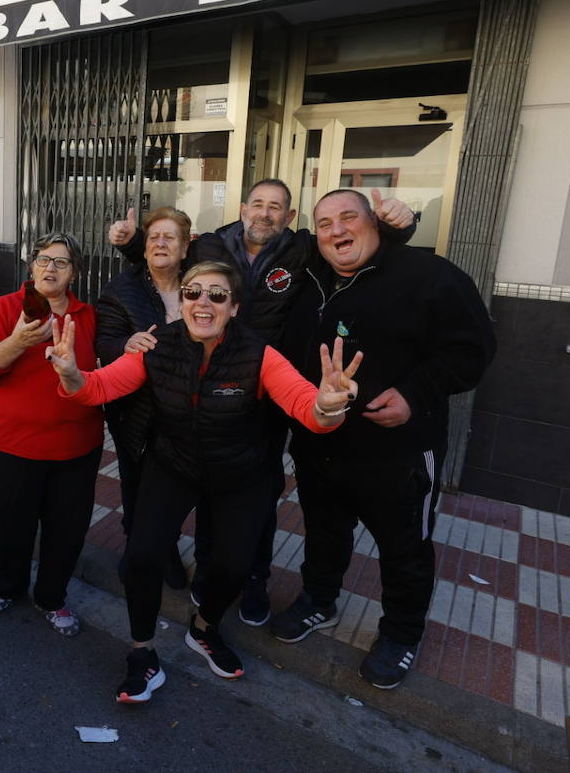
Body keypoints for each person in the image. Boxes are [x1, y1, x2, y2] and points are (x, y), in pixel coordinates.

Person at [47, 260, 359, 703]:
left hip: (241, 473)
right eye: (193, 292)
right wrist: (71, 374)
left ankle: (205, 628)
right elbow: (99, 387)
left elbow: (304, 405)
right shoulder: (158, 345)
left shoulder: (259, 353)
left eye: (217, 294)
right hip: (173, 465)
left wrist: (328, 406)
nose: (203, 302)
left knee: (233, 566)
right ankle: (142, 653)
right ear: (183, 301)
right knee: (141, 556)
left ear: (233, 307)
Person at [107, 180, 415, 623]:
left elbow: (353, 247)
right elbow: (163, 258)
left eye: (276, 208)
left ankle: (254, 578)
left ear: (290, 217)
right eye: (258, 205)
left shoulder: (303, 250)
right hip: (211, 381)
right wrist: (132, 241)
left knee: (257, 491)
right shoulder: (210, 244)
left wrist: (398, 227)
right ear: (242, 208)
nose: (265, 214)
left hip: (268, 389)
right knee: (208, 483)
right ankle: (212, 571)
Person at [271, 189, 495, 689]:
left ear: (376, 223)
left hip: (396, 451)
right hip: (320, 442)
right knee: (324, 531)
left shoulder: (429, 277)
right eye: (324, 223)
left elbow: (473, 350)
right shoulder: (308, 275)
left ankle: (401, 633)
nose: (336, 231)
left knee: (404, 547)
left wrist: (416, 394)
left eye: (349, 217)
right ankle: (319, 600)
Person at [0, 232, 102, 638]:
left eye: (61, 262)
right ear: (31, 266)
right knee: (10, 525)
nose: (50, 268)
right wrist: (16, 342)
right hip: (13, 445)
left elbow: (107, 369)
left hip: (76, 447)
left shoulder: (88, 315)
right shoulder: (7, 307)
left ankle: (51, 597)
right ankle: (8, 587)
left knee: (67, 531)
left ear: (74, 271)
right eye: (43, 260)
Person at [95, 206, 192, 589]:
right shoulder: (123, 288)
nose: (161, 243)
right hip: (135, 411)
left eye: (170, 237)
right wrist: (124, 343)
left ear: (186, 248)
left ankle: (165, 547)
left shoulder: (201, 284)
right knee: (137, 486)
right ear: (144, 246)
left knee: (174, 489)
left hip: (186, 412)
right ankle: (137, 553)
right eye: (153, 237)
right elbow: (102, 341)